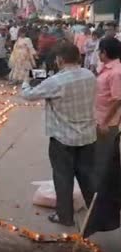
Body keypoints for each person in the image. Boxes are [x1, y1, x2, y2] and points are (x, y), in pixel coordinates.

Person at [21, 42, 97, 227]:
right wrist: (43, 75)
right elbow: (58, 78)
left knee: (63, 178)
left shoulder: (55, 82)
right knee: (87, 177)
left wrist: (25, 81)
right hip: (87, 136)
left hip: (63, 139)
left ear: (60, 59)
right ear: (78, 58)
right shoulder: (89, 75)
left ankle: (65, 216)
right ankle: (96, 215)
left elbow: (29, 95)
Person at [85, 38, 121, 238]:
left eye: (100, 50)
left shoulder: (116, 72)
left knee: (101, 164)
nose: (98, 53)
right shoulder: (108, 68)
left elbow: (118, 99)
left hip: (106, 125)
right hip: (100, 120)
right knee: (106, 161)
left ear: (105, 52)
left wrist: (106, 122)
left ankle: (98, 209)